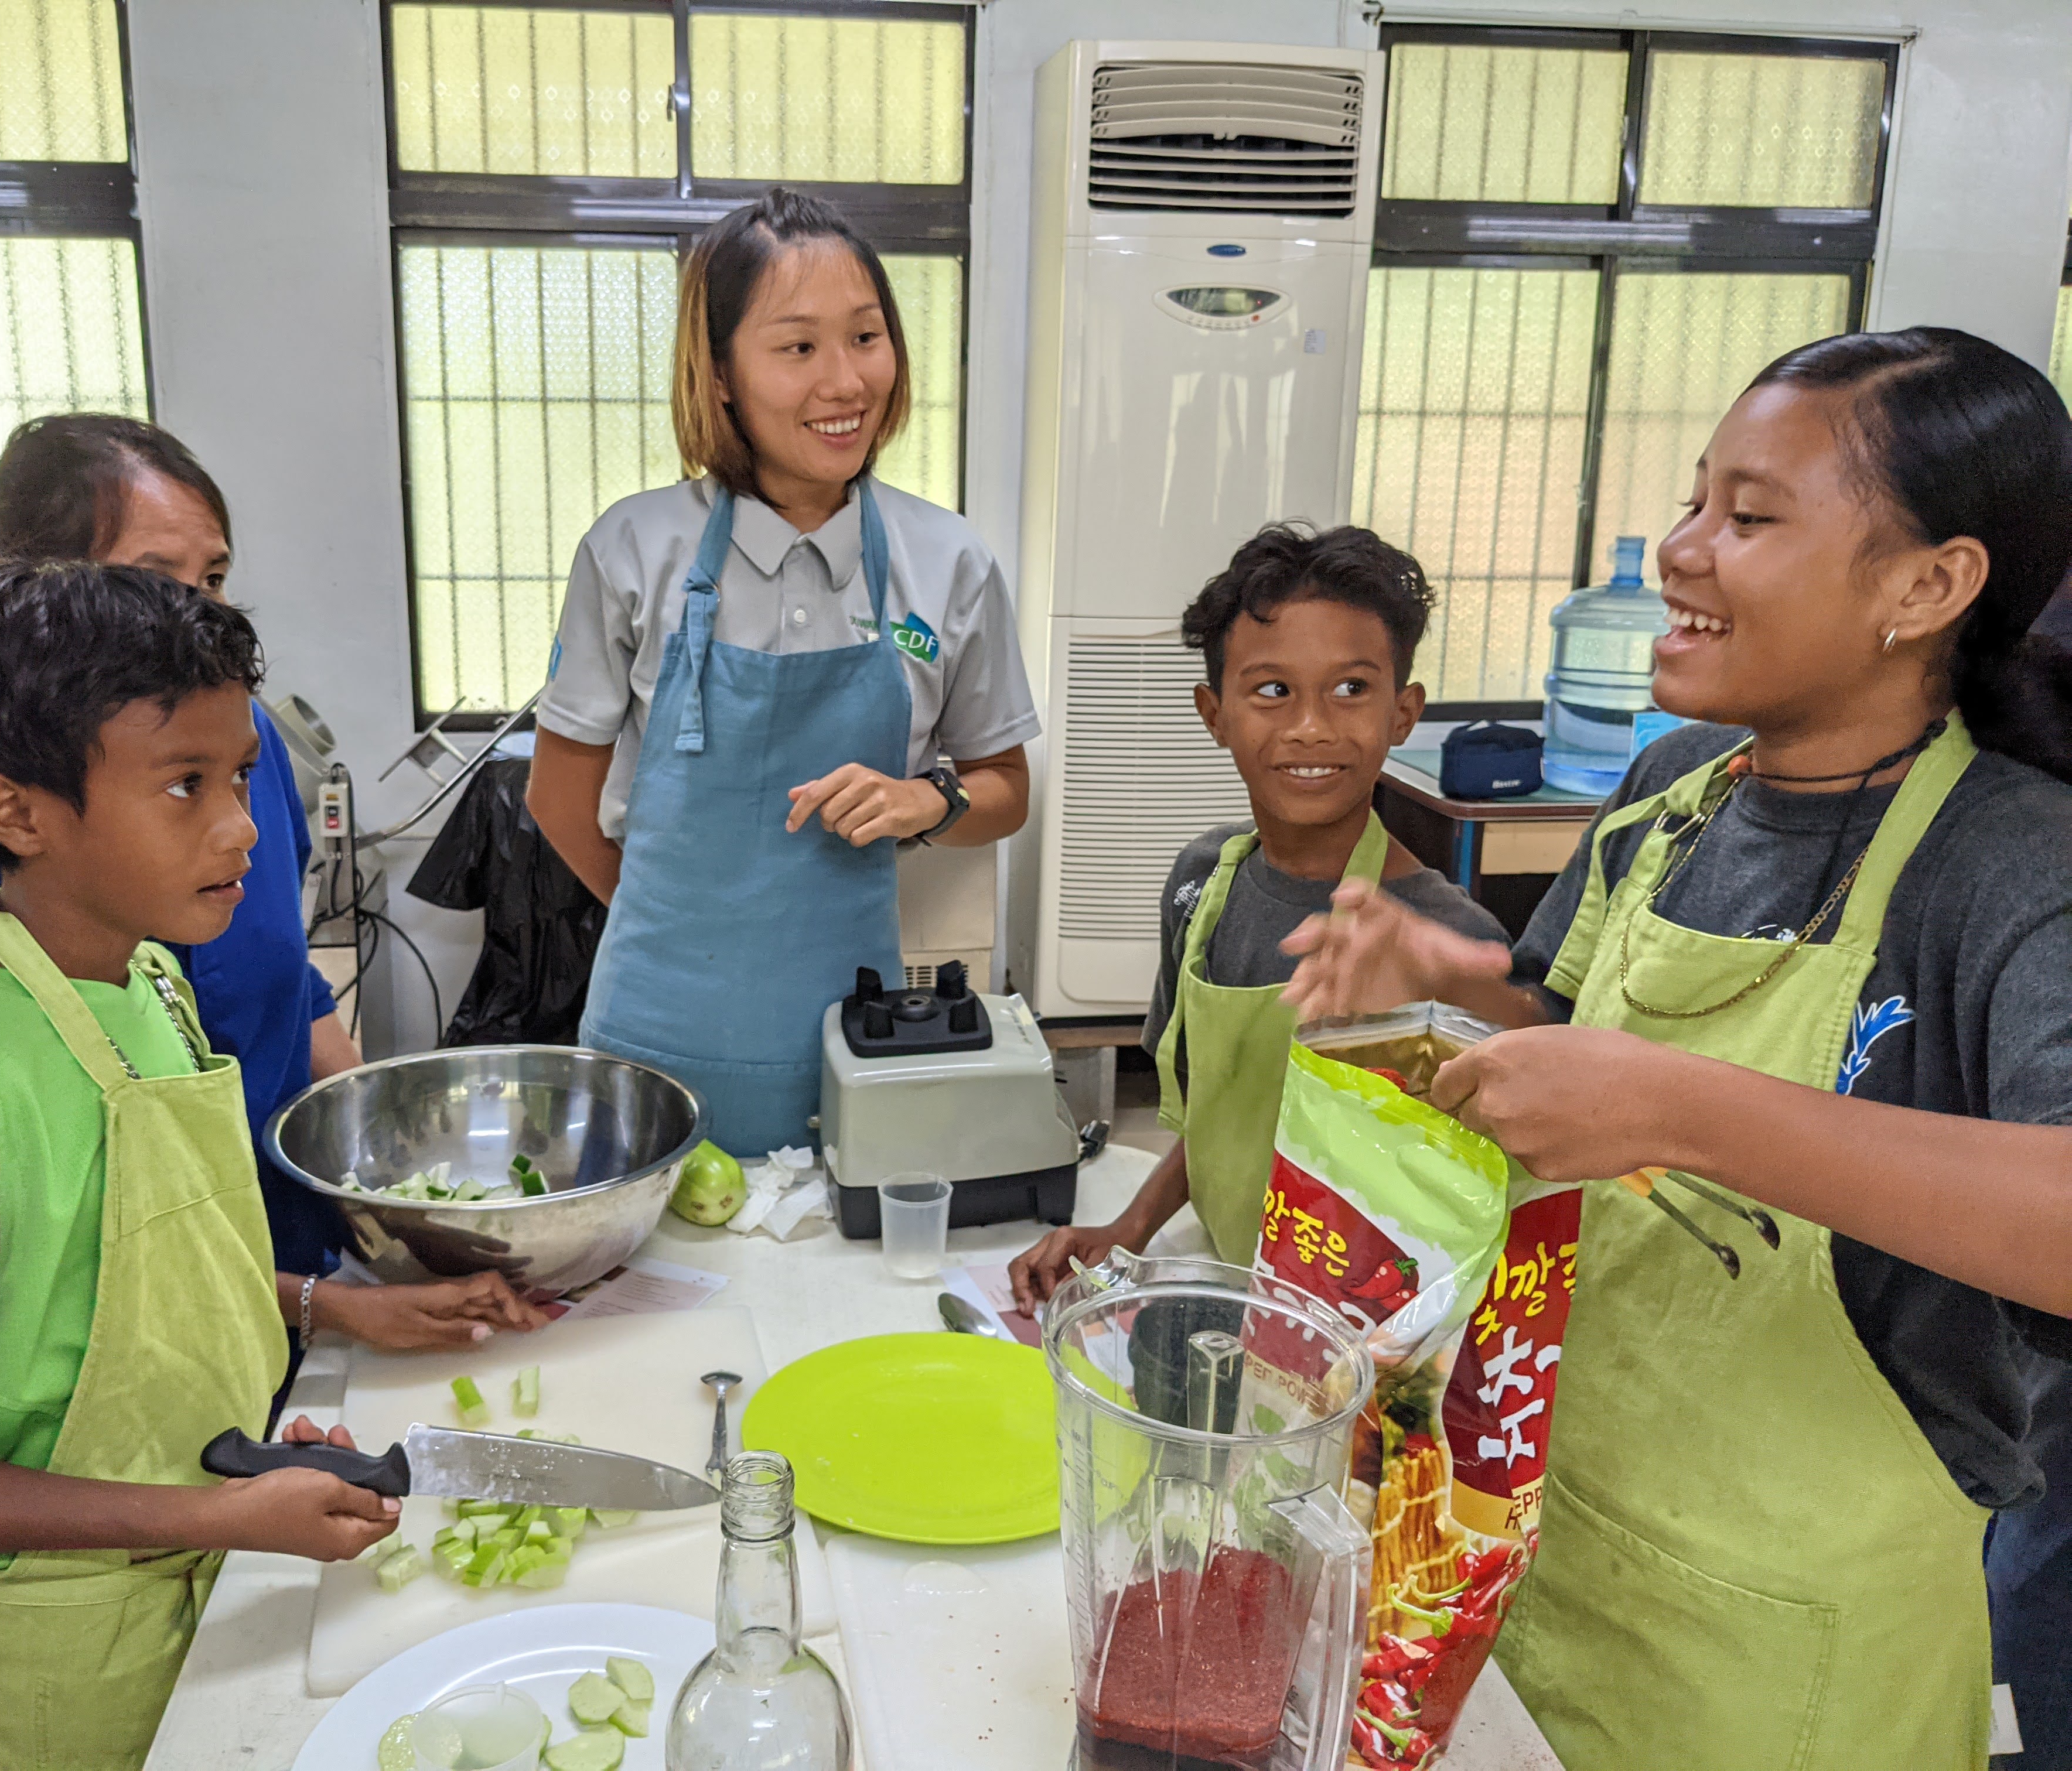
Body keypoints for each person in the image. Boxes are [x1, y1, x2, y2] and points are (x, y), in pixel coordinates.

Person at [1278, 328, 2072, 1771]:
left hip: (1796, 1648)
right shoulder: (1671, 793)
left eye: (1751, 518)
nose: (1680, 553)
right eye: (1696, 501)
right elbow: (1573, 1064)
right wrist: (1453, 999)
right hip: (1554, 1533)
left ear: (1929, 584)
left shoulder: (2015, 864)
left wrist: (1682, 1110)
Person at [0, 562, 400, 1770]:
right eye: (183, 786)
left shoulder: (148, 986)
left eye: (241, 776)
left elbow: (117, 1279)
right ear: (18, 813)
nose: (241, 829)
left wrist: (258, 1431)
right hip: (40, 1669)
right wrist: (208, 1511)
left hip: (181, 1585)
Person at [0, 414, 534, 1359]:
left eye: (216, 580)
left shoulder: (241, 776)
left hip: (273, 1270)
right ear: (38, 599)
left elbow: (288, 988)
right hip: (88, 1348)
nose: (204, 620)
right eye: (154, 580)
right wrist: (313, 1306)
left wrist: (393, 1192)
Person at [528, 189, 1040, 1156]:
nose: (845, 382)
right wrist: (683, 928)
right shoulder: (633, 550)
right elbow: (559, 798)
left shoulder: (949, 561)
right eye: (798, 348)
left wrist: (928, 802)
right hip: (655, 1032)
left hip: (851, 1029)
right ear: (720, 373)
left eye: (866, 338)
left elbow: (1007, 788)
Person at [1007, 524, 1506, 1298]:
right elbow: (1219, 1117)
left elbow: (1476, 1212)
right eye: (1273, 691)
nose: (1311, 726)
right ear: (1215, 714)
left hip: (1364, 1331)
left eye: (1351, 689)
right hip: (1222, 1278)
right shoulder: (1200, 885)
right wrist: (1128, 1230)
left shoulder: (1449, 945)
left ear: (1403, 712)